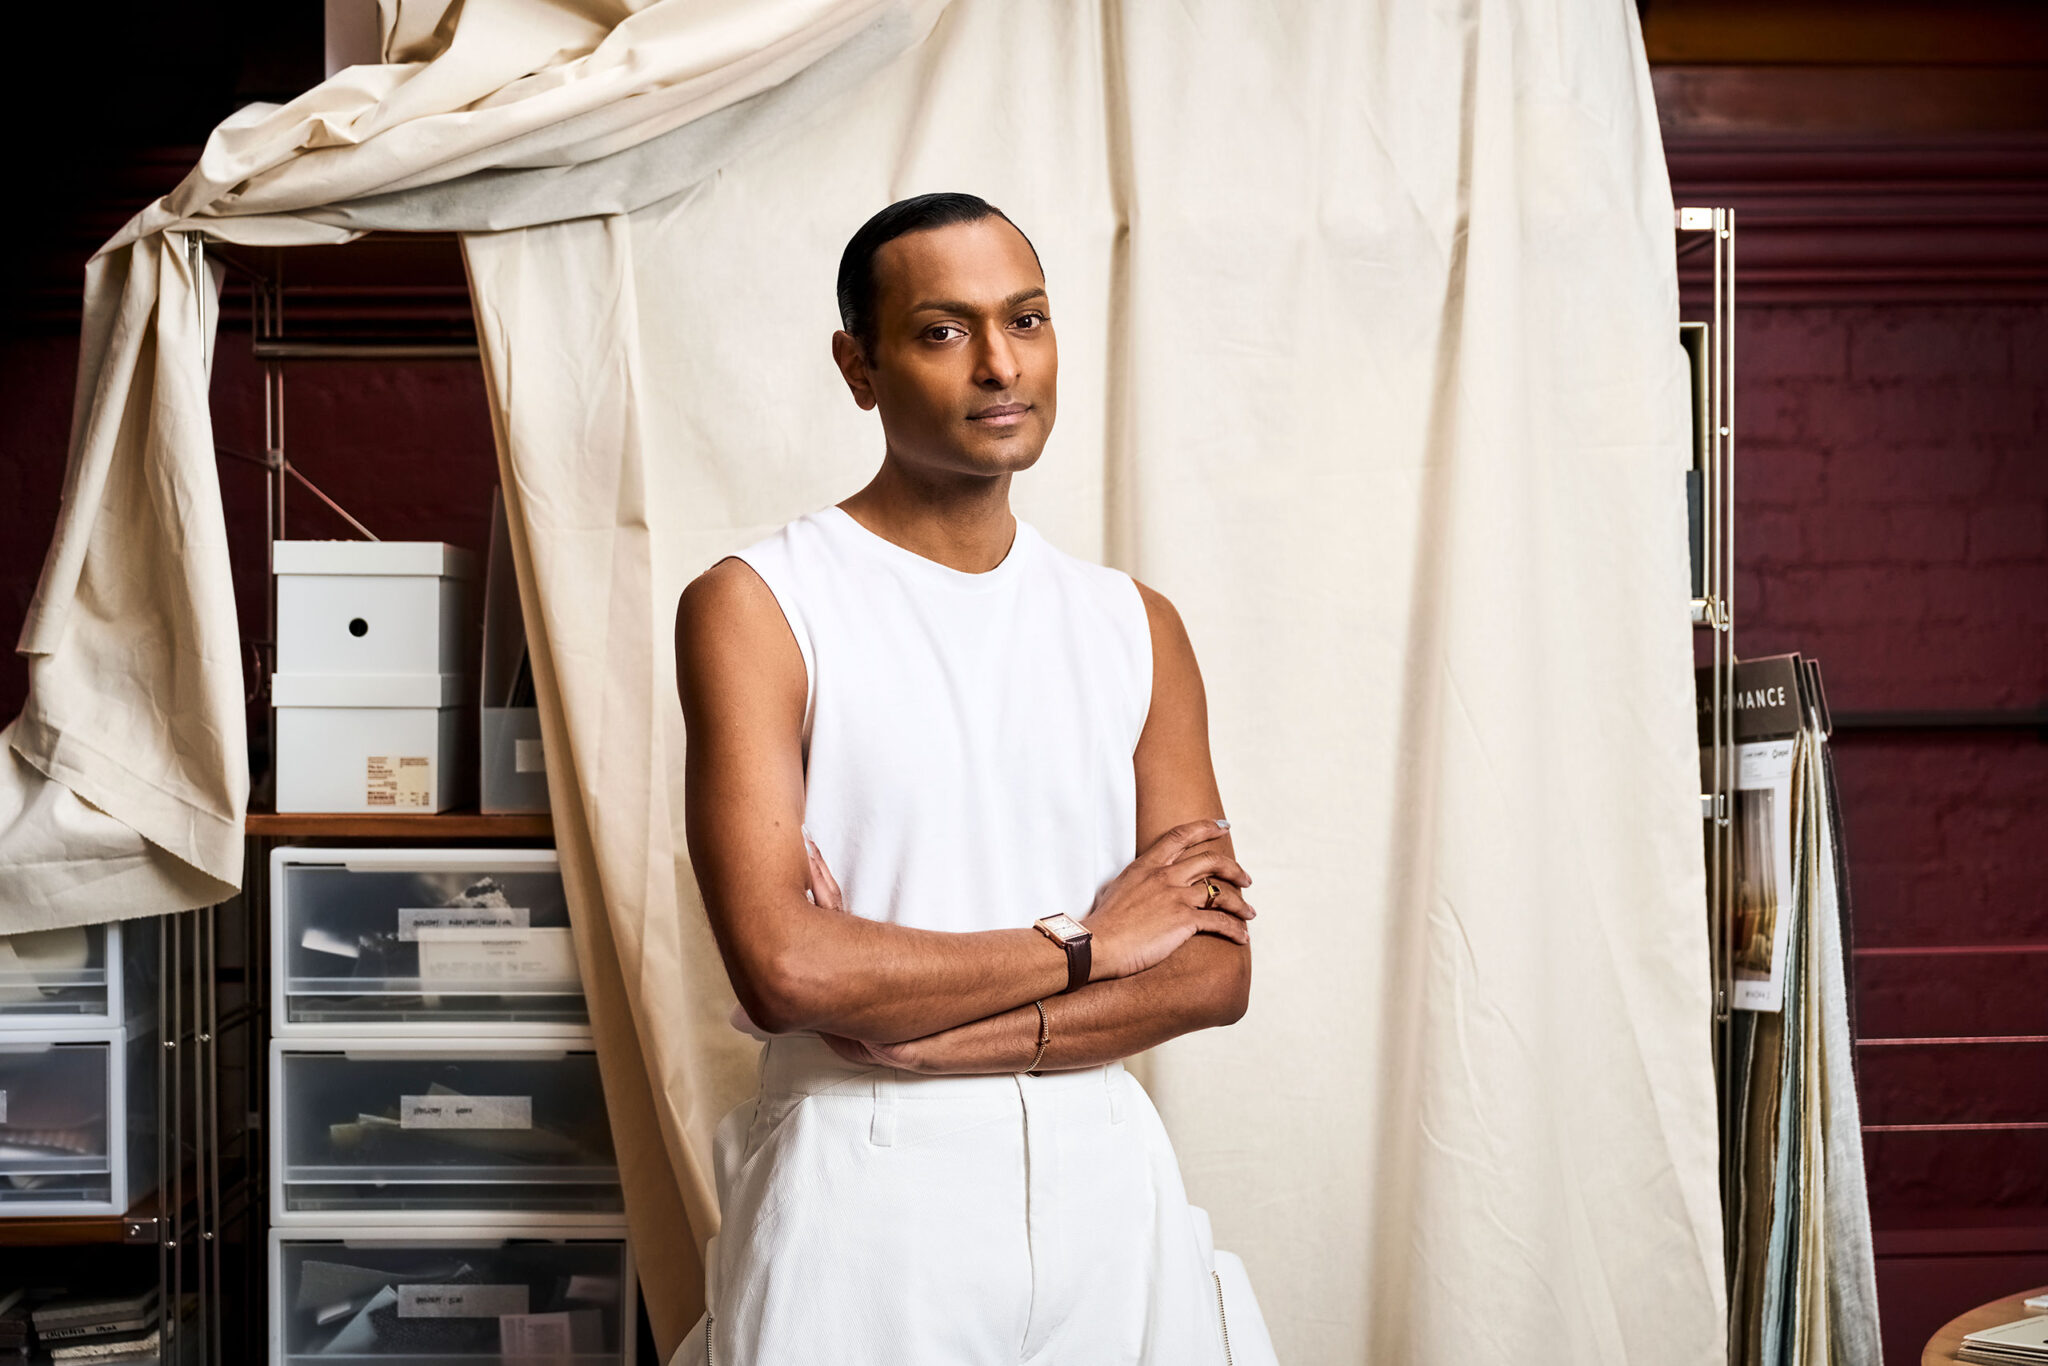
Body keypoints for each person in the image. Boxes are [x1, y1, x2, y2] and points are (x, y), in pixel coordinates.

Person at [671, 192, 1266, 1364]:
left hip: (1108, 1175)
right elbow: (786, 967)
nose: (1000, 364)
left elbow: (1212, 970)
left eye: (1025, 320)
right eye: (943, 331)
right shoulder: (759, 602)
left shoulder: (1134, 623)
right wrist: (1091, 942)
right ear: (859, 367)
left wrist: (938, 1034)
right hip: (864, 1179)